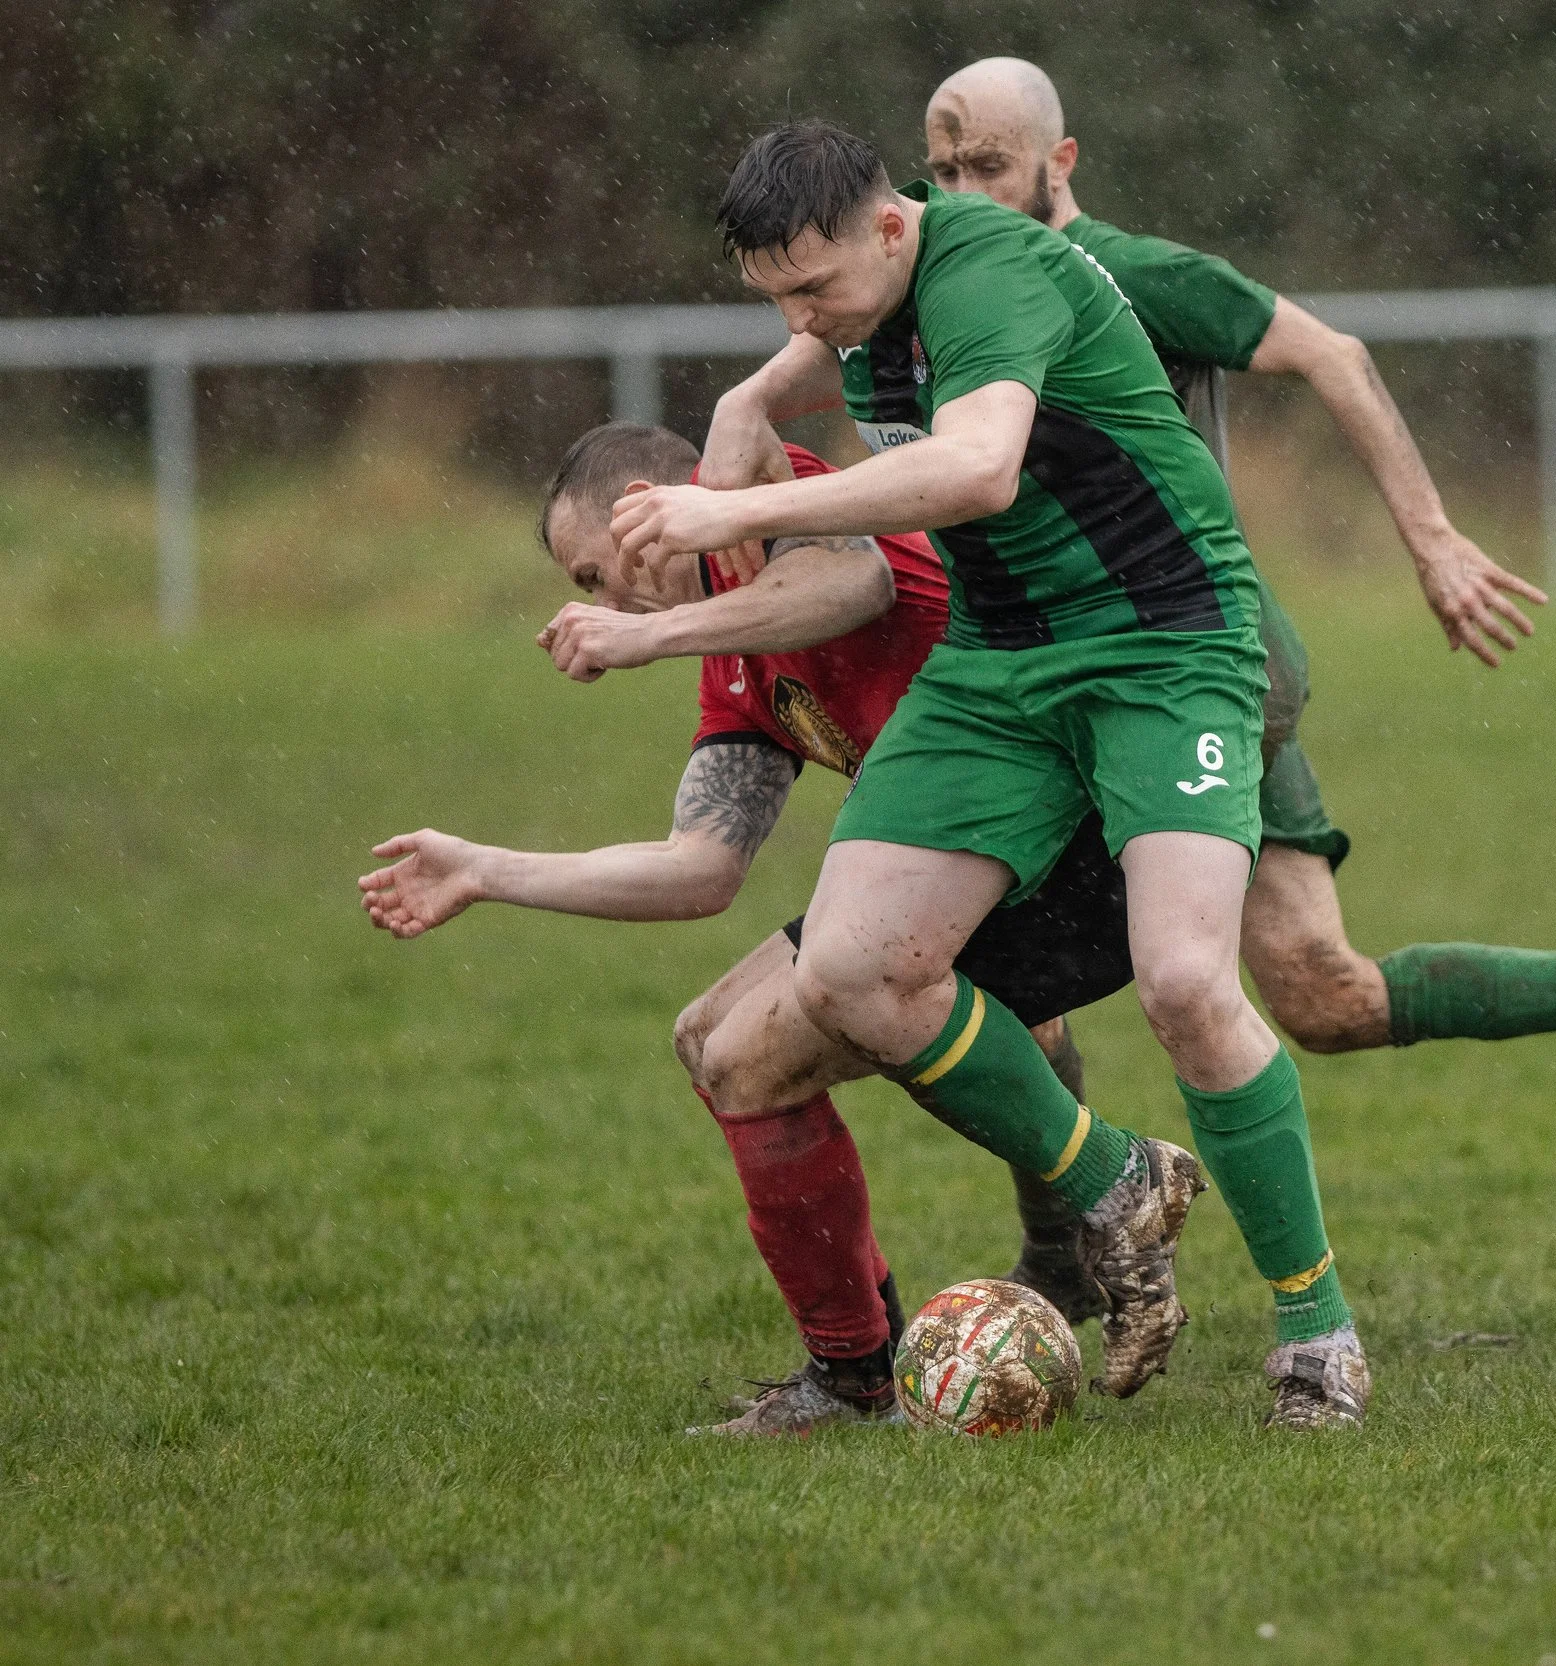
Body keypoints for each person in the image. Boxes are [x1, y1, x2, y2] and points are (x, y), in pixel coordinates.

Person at [871, 55, 1556, 1282]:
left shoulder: (1128, 273)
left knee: (995, 952)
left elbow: (1335, 352)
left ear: (1062, 163)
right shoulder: (939, 292)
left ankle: (1074, 1250)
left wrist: (1432, 539)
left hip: (1178, 670)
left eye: (988, 165)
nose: (964, 193)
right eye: (941, 172)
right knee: (1324, 993)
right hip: (1140, 671)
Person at [613, 123, 1366, 1426]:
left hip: (1163, 641)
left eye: (815, 287)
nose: (805, 318)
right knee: (849, 969)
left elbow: (976, 466)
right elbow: (822, 348)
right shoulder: (859, 286)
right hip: (1000, 659)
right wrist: (744, 403)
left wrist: (731, 510)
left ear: (893, 227)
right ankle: (1119, 1182)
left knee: (1190, 982)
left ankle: (1317, 1333)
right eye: (775, 296)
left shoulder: (992, 268)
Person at [359, 422, 1135, 1434]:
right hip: (975, 866)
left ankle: (883, 1354)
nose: (606, 604)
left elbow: (860, 588)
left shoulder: (797, 507)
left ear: (649, 502)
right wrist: (484, 870)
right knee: (711, 1036)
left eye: (601, 571)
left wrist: (648, 634)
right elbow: (697, 869)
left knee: (753, 1057)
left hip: (1087, 847)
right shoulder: (738, 662)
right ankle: (1059, 1253)